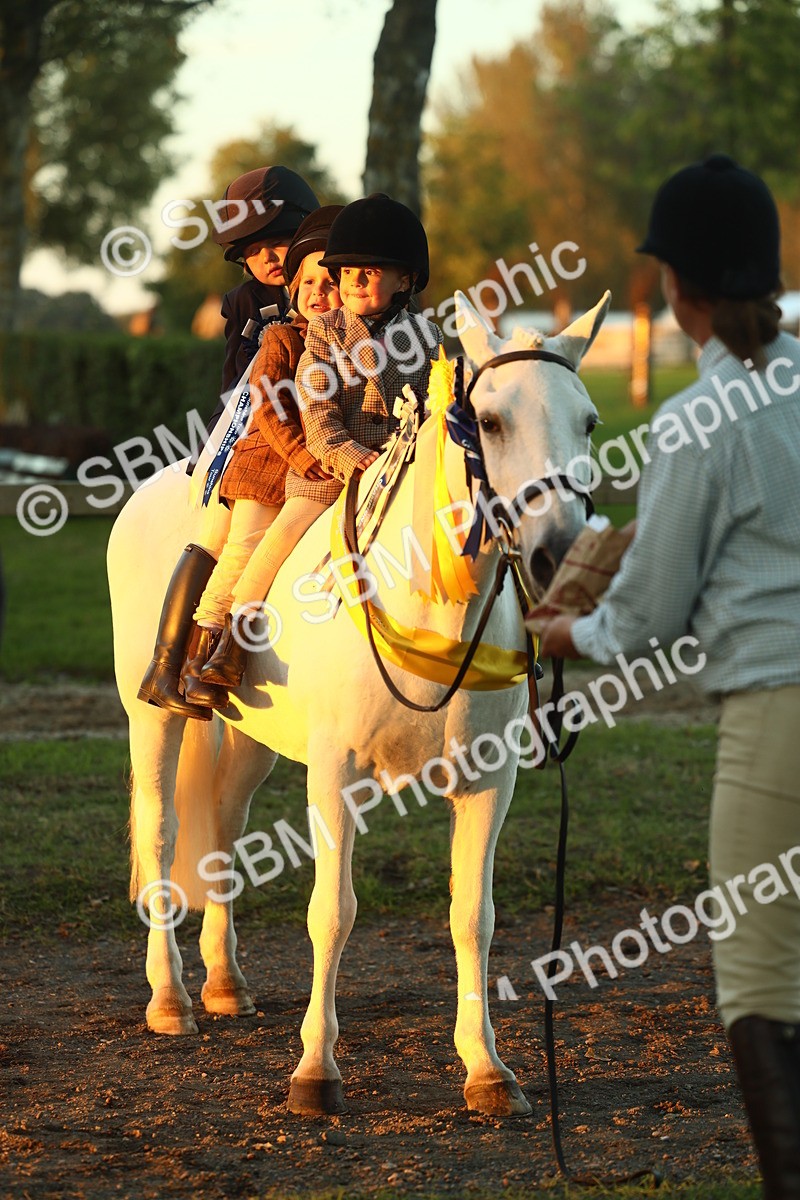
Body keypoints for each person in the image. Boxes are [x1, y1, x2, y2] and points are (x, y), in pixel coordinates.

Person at [538, 154, 800, 1198]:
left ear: (674, 283)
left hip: (778, 714)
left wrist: (568, 635)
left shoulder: (701, 419)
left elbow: (645, 617)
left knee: (761, 982)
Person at [196, 192, 444, 690]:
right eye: (347, 272)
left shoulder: (427, 337)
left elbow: (434, 405)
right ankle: (232, 638)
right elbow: (318, 411)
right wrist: (352, 456)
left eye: (370, 272)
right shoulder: (326, 332)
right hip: (331, 471)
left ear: (405, 281)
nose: (354, 282)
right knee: (276, 541)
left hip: (400, 466)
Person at [138, 167, 319, 719]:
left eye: (278, 243)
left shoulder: (332, 286)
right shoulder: (246, 302)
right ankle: (169, 663)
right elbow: (239, 380)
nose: (267, 259)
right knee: (218, 536)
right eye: (253, 251)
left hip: (322, 429)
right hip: (250, 427)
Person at [179, 205, 344, 712]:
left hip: (317, 469)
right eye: (308, 284)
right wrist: (300, 453)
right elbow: (268, 406)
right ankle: (202, 652)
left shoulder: (352, 343)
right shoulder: (281, 338)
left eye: (330, 284)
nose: (318, 294)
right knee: (243, 547)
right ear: (292, 290)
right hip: (266, 464)